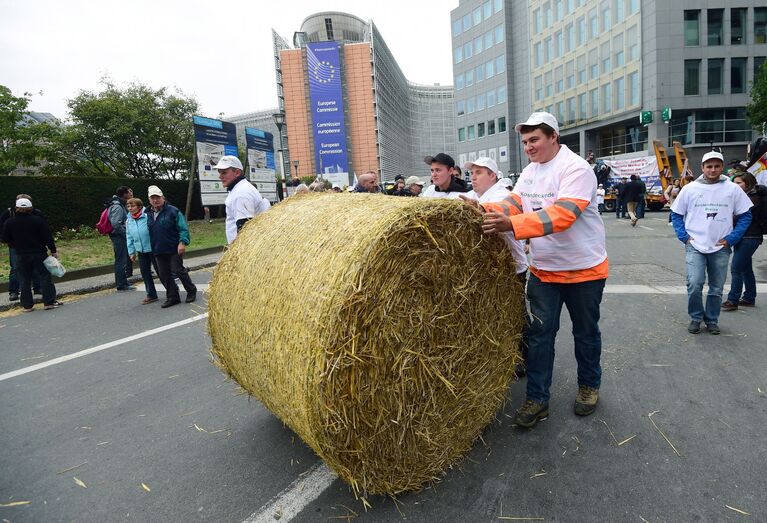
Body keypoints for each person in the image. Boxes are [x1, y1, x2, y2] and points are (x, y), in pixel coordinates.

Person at [465, 111, 608, 428]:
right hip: (545, 270)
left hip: (583, 270)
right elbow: (514, 204)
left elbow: (563, 215)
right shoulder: (530, 172)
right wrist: (484, 208)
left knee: (585, 333)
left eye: (534, 140)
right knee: (539, 336)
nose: (528, 147)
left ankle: (588, 386)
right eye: (525, 141)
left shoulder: (576, 169)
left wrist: (512, 225)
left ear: (553, 137)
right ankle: (537, 399)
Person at [670, 151, 753, 335]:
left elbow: (746, 215)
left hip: (721, 246)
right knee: (695, 283)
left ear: (721, 167)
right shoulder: (690, 189)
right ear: (702, 168)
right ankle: (696, 317)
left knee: (716, 287)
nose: (713, 170)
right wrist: (684, 236)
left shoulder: (732, 189)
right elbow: (676, 214)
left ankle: (712, 320)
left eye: (716, 166)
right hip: (695, 245)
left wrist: (732, 238)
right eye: (709, 166)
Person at [463, 157, 530, 377]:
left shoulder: (501, 195)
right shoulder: (474, 195)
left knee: (516, 314)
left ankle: (525, 357)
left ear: (492, 175)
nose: (473, 177)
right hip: (490, 267)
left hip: (511, 266)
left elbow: (491, 215)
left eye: (479, 172)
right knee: (497, 313)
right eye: (472, 173)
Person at [1, 198, 61, 312]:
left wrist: (14, 244)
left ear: (17, 208)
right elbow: (47, 237)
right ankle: (48, 302)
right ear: (30, 208)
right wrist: (53, 250)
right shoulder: (38, 220)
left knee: (24, 279)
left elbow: (4, 238)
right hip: (39, 252)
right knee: (44, 277)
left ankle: (27, 305)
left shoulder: (10, 222)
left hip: (20, 254)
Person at [146, 186, 197, 308]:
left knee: (178, 270)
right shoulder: (147, 213)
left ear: (163, 197)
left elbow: (183, 228)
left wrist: (182, 242)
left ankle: (191, 290)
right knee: (164, 274)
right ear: (149, 200)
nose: (155, 200)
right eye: (152, 198)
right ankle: (173, 297)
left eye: (157, 197)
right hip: (158, 248)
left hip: (174, 247)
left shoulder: (173, 211)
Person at [722, 172, 767, 311]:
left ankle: (733, 299)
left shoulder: (752, 198)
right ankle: (749, 298)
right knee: (746, 268)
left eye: (739, 183)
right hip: (745, 236)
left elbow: (741, 217)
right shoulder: (746, 196)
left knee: (736, 268)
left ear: (747, 183)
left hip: (750, 236)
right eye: (734, 182)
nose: (736, 185)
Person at [214, 155, 271, 244]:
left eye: (224, 173)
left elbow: (245, 228)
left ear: (237, 173)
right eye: (220, 173)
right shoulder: (240, 188)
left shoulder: (241, 193)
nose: (220, 177)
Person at [1, 193, 44, 301]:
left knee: (33, 266)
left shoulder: (36, 213)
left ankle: (37, 287)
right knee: (15, 268)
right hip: (16, 246)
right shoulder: (9, 213)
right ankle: (14, 291)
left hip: (30, 245)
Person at [125, 197, 159, 305]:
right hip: (141, 250)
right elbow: (129, 236)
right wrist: (131, 252)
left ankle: (172, 289)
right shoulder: (129, 220)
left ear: (139, 207)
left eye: (133, 206)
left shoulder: (147, 215)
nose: (130, 208)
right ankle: (151, 295)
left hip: (153, 248)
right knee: (145, 272)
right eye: (128, 206)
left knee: (161, 271)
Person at [107, 186, 134, 291]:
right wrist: (126, 233)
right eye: (129, 192)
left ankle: (123, 282)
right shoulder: (117, 206)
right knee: (120, 260)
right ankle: (121, 284)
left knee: (121, 259)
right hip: (118, 236)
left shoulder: (116, 204)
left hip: (117, 235)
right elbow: (116, 224)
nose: (131, 194)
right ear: (125, 194)